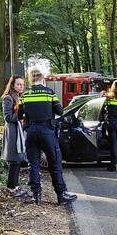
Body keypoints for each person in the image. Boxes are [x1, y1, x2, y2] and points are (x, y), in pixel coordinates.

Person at [18, 68, 77, 205]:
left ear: (30, 79)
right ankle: (61, 195)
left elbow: (19, 115)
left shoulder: (25, 95)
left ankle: (36, 196)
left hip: (31, 132)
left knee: (33, 164)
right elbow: (60, 111)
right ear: (42, 79)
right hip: (47, 132)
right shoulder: (49, 93)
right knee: (55, 163)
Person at [1, 75, 30, 198]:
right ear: (12, 85)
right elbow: (8, 118)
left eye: (22, 85)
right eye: (18, 84)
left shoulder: (19, 97)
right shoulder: (8, 98)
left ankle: (15, 186)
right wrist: (21, 114)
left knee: (18, 160)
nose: (21, 87)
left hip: (19, 132)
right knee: (14, 160)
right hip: (12, 133)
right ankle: (11, 188)